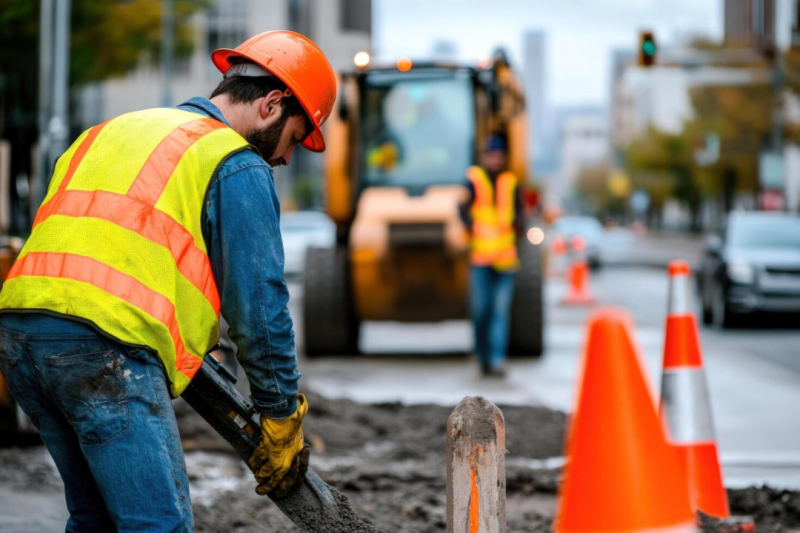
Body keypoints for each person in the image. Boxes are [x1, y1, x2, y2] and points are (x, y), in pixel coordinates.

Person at [0, 31, 335, 532]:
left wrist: (203, 344)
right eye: (291, 140)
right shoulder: (233, 161)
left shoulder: (107, 132)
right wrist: (281, 414)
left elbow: (128, 251)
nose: (284, 159)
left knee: (95, 518)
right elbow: (261, 309)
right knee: (157, 525)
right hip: (103, 349)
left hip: (18, 336)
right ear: (271, 105)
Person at [459, 135, 524, 377]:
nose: (496, 159)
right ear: (486, 156)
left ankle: (496, 360)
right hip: (481, 260)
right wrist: (470, 230)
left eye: (499, 155)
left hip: (505, 261)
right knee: (480, 311)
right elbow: (461, 208)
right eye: (492, 155)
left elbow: (519, 216)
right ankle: (482, 356)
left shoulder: (511, 182)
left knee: (500, 311)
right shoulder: (474, 180)